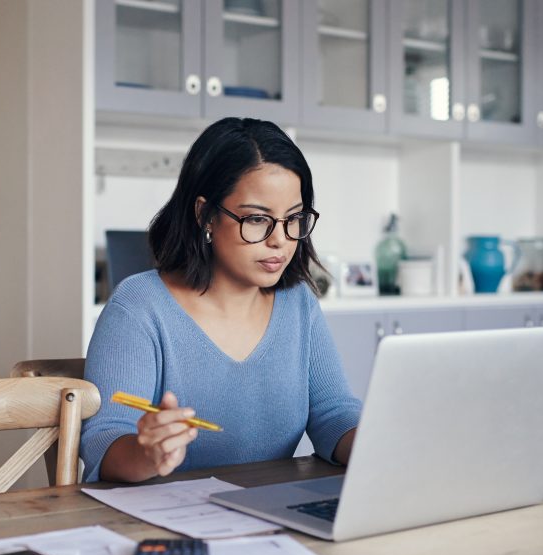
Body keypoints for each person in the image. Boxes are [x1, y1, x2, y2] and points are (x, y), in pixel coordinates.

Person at [81, 117, 361, 483]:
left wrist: (381, 445)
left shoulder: (298, 304)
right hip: (161, 526)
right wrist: (147, 453)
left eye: (294, 219)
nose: (280, 240)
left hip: (267, 516)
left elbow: (332, 414)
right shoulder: (139, 307)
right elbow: (104, 441)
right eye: (258, 219)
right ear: (205, 215)